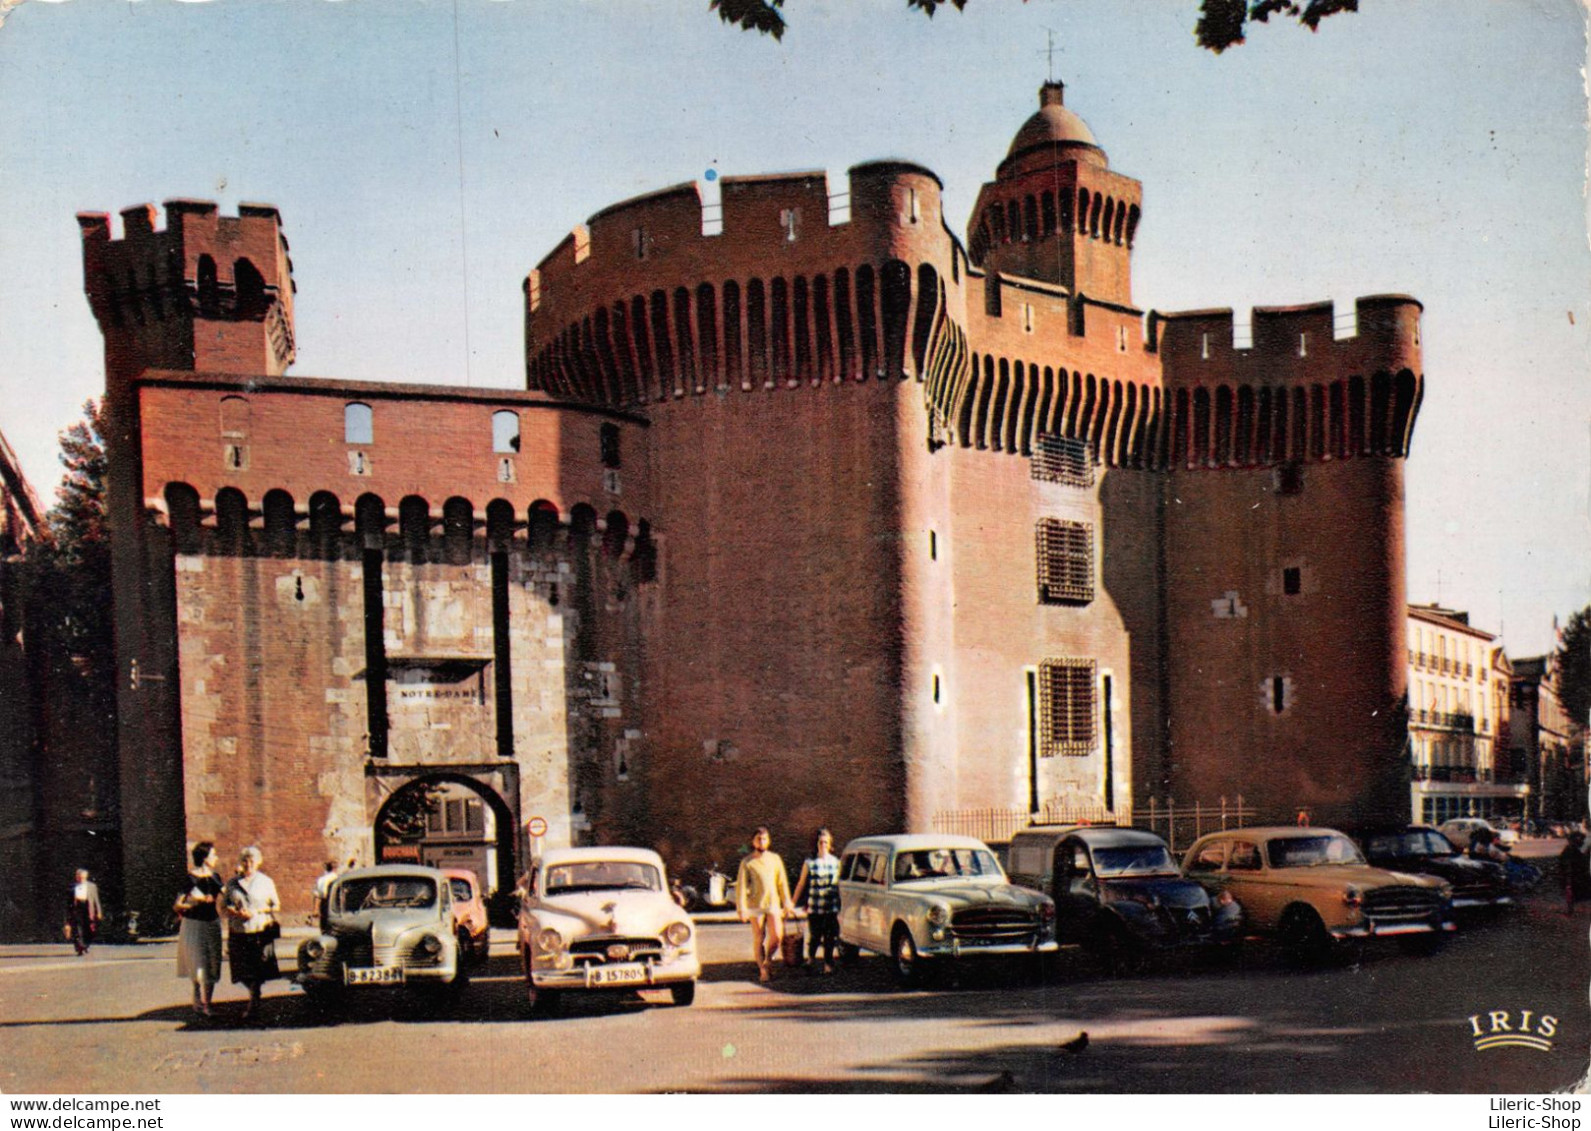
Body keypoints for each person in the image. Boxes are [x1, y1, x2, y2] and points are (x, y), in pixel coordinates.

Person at [224, 846, 281, 1022]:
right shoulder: (232, 883)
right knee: (240, 969)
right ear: (241, 862)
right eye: (245, 861)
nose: (248, 864)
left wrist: (257, 910)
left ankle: (254, 999)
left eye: (252, 861)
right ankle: (253, 992)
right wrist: (235, 912)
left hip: (259, 929)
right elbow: (224, 905)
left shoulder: (266, 882)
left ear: (258, 862)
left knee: (257, 967)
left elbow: (276, 905)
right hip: (239, 929)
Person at [736, 827, 794, 984]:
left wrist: (787, 902)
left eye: (764, 839)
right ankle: (763, 970)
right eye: (758, 839)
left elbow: (782, 882)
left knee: (777, 935)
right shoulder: (747, 862)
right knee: (759, 937)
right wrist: (742, 908)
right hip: (755, 905)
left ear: (768, 841)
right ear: (753, 841)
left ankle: (768, 960)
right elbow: (741, 886)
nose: (761, 842)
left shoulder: (775, 859)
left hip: (773, 903)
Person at [174, 842, 224, 1017]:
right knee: (197, 961)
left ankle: (207, 1003)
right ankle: (197, 999)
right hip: (194, 923)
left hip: (212, 922)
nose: (216, 858)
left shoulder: (216, 877)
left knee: (211, 962)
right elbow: (177, 905)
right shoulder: (190, 878)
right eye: (213, 855)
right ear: (204, 858)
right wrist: (197, 901)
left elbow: (226, 895)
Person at [792, 828, 841, 975]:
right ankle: (811, 959)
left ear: (830, 844)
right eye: (820, 842)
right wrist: (792, 903)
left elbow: (839, 884)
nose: (823, 845)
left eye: (826, 842)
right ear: (816, 844)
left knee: (830, 937)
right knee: (815, 935)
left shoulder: (836, 862)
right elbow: (801, 884)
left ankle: (828, 963)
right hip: (814, 907)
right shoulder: (809, 863)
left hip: (831, 906)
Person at [65, 869, 102, 956]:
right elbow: (68, 902)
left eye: (83, 877)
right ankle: (80, 947)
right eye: (79, 877)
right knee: (77, 929)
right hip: (77, 908)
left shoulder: (92, 886)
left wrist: (99, 911)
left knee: (89, 929)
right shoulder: (71, 887)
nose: (81, 879)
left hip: (88, 909)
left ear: (86, 877)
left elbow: (96, 900)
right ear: (76, 877)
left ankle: (86, 945)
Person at [1560, 831, 1590, 915]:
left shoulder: (1571, 849)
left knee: (1572, 891)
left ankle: (1571, 910)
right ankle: (1572, 909)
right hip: (1576, 874)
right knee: (1573, 891)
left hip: (1575, 874)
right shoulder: (1574, 850)